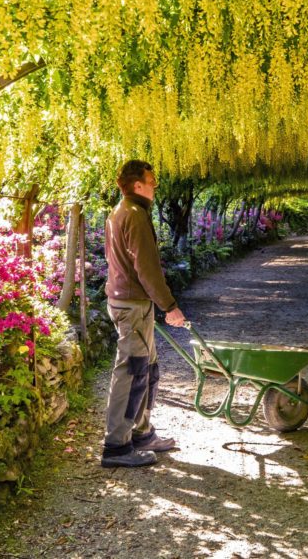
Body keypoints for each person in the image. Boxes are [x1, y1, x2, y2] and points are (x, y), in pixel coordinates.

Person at [101, 160, 187, 468]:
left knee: (147, 370)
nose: (155, 186)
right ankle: (116, 446)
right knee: (132, 372)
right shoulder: (134, 215)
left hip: (132, 303)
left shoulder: (121, 211)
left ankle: (141, 433)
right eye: (152, 181)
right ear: (138, 185)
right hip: (131, 306)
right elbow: (147, 269)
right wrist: (170, 306)